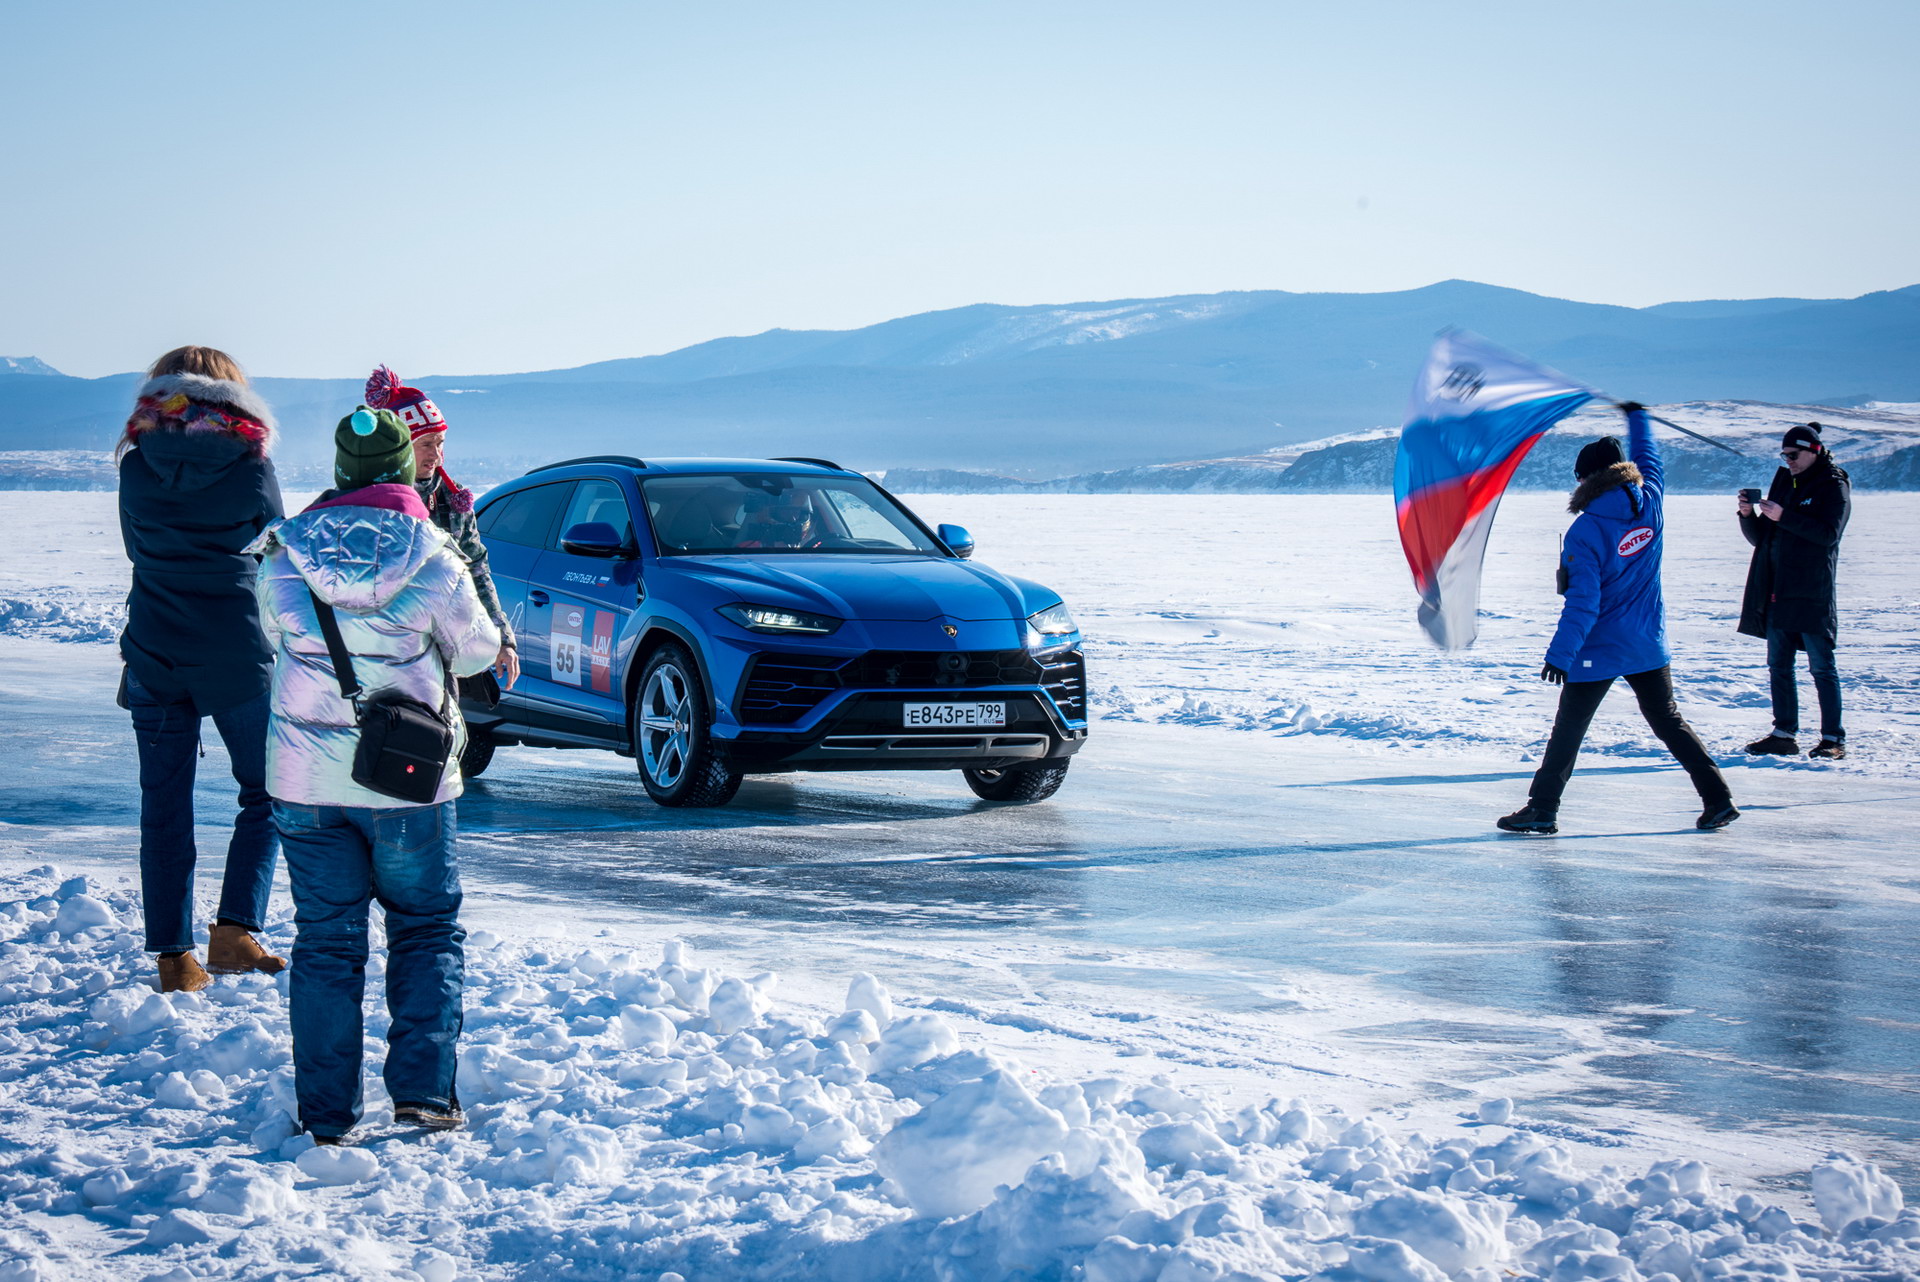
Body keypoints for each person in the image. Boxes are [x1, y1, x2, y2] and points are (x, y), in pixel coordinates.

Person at [252, 405, 500, 1142]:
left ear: (339, 472)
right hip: (409, 780)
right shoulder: (430, 552)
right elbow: (479, 651)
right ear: (399, 471)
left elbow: (277, 632)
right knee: (424, 929)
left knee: (326, 942)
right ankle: (423, 1092)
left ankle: (326, 1113)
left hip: (305, 783)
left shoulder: (284, 553)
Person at [117, 346, 288, 993]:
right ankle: (235, 930)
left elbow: (137, 550)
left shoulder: (135, 466)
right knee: (269, 791)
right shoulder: (251, 467)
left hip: (154, 652)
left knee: (164, 806)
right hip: (237, 654)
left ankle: (175, 961)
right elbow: (276, 553)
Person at [1498, 402, 1738, 835]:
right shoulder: (1653, 500)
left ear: (1587, 479)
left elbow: (1583, 603)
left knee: (1568, 730)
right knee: (1669, 721)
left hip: (1600, 649)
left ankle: (1542, 809)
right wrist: (1638, 417)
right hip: (1648, 643)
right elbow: (1650, 458)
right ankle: (1718, 798)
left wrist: (1560, 654)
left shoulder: (1586, 530)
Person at [363, 365, 518, 690]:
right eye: (426, 444)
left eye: (440, 443)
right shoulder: (371, 499)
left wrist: (501, 637)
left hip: (441, 644)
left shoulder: (451, 497)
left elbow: (476, 567)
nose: (437, 454)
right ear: (400, 446)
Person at [1737, 422, 1852, 760]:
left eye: (1793, 454)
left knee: (1822, 667)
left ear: (1813, 450)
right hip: (1776, 589)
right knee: (1779, 665)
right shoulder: (1785, 481)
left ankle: (1833, 738)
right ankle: (1783, 733)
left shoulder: (1834, 484)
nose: (1788, 460)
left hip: (1811, 591)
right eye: (1784, 454)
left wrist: (1784, 516)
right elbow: (1763, 539)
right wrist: (1748, 515)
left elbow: (1829, 533)